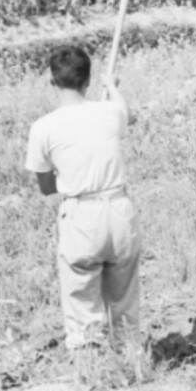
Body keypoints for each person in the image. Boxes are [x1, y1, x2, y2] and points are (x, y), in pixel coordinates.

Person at [25, 46, 143, 352]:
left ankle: (91, 371)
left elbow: (47, 187)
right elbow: (125, 112)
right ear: (87, 79)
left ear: (53, 81)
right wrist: (113, 87)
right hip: (118, 210)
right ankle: (132, 365)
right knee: (124, 302)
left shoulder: (43, 128)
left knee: (81, 306)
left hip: (80, 217)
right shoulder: (110, 112)